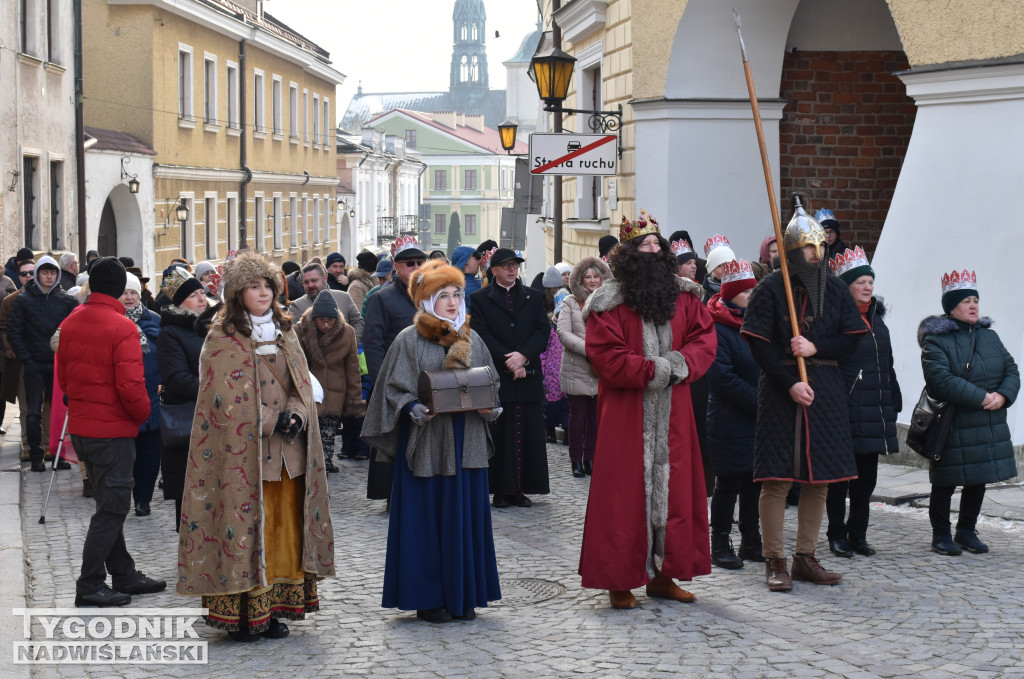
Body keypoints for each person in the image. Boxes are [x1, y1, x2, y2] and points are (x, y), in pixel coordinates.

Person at [177, 250, 334, 641]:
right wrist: (269, 420)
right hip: (242, 457)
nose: (263, 293)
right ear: (237, 293)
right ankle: (242, 613)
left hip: (288, 455)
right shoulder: (221, 338)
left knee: (283, 529)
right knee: (243, 530)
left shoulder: (285, 331)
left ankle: (274, 609)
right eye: (254, 286)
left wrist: (296, 413)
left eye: (268, 285)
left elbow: (303, 379)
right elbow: (222, 397)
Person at [579, 211, 717, 609]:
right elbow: (606, 354)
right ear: (629, 253)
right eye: (646, 245)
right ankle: (619, 579)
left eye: (659, 244)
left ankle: (665, 575)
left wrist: (676, 366)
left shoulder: (685, 296)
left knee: (676, 493)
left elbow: (703, 340)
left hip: (675, 412)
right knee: (622, 496)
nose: (655, 250)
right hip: (626, 412)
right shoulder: (608, 303)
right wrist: (655, 369)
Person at [362, 260, 502, 623]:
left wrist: (490, 409)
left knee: (465, 517)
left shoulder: (473, 338)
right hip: (426, 444)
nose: (454, 302)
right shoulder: (408, 340)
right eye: (444, 296)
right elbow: (392, 389)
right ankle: (428, 598)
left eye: (457, 294)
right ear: (426, 300)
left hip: (466, 441)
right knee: (426, 520)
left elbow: (491, 383)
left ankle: (465, 593)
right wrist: (411, 407)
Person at [740, 197, 866, 592]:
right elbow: (759, 346)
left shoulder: (837, 289)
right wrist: (789, 382)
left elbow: (851, 340)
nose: (816, 253)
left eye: (820, 247)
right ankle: (774, 560)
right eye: (809, 247)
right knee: (777, 480)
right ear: (793, 249)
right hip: (782, 389)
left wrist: (815, 348)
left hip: (825, 390)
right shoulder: (770, 289)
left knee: (820, 480)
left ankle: (805, 558)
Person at [57, 257, 164, 607]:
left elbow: (63, 380)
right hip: (113, 431)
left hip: (84, 428)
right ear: (121, 288)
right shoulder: (122, 326)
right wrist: (145, 415)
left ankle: (123, 573)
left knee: (109, 502)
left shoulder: (71, 322)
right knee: (114, 507)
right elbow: (132, 386)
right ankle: (89, 584)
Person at [919, 269, 1019, 556]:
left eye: (975, 299)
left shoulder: (990, 336)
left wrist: (1002, 396)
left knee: (978, 477)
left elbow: (1011, 369)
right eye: (966, 301)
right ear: (951, 307)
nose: (973, 305)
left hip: (987, 420)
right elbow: (940, 379)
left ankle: (966, 530)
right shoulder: (936, 340)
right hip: (953, 422)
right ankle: (941, 534)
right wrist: (982, 397)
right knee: (945, 481)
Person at [825, 247, 902, 558]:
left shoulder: (877, 320)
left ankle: (858, 533)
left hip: (875, 408)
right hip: (845, 408)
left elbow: (887, 361)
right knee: (841, 479)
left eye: (871, 281)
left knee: (866, 480)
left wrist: (893, 395)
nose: (868, 287)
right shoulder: (835, 320)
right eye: (861, 282)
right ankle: (836, 534)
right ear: (847, 286)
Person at [470, 248, 551, 508]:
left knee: (528, 432)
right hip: (497, 375)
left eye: (515, 264)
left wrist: (524, 356)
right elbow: (479, 332)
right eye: (505, 265)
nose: (511, 269)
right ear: (493, 270)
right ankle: (501, 491)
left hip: (527, 375)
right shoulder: (480, 298)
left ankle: (521, 489)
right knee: (500, 432)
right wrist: (509, 359)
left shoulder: (533, 296)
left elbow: (543, 329)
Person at [705, 259, 763, 569]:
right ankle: (720, 542)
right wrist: (759, 401)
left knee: (755, 481)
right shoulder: (718, 328)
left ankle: (751, 541)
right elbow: (722, 377)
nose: (752, 296)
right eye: (746, 292)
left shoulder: (755, 324)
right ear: (732, 295)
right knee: (728, 483)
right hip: (729, 418)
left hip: (756, 418)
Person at [363, 237, 425, 502]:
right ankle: (395, 495)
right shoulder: (382, 298)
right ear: (396, 267)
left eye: (421, 262)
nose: (416, 267)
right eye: (409, 263)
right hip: (395, 381)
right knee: (395, 441)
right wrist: (381, 383)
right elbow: (373, 343)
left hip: (428, 379)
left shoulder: (433, 293)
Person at [8, 255, 78, 471]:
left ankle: (59, 455)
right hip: (34, 364)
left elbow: (74, 332)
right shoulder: (23, 300)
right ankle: (37, 455)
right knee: (34, 412)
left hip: (59, 365)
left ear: (57, 274)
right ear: (37, 274)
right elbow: (15, 332)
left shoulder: (67, 301)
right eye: (45, 272)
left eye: (53, 272)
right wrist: (26, 358)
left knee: (60, 410)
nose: (49, 276)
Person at [156, 268, 211, 530]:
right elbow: (176, 378)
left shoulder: (213, 326)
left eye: (202, 292)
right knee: (189, 495)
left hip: (216, 418)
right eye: (193, 295)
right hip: (189, 419)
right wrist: (215, 391)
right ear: (179, 302)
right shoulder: (171, 332)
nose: (201, 299)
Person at [296, 290, 365, 473]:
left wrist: (354, 400)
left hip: (336, 390)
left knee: (330, 431)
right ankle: (312, 461)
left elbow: (353, 369)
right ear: (314, 319)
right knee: (311, 430)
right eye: (322, 320)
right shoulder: (300, 331)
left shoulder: (347, 333)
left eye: (330, 320)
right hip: (311, 390)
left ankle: (325, 460)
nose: (326, 324)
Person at [556, 256, 611, 478]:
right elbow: (564, 333)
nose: (592, 280)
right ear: (580, 279)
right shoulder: (570, 302)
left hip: (601, 370)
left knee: (596, 418)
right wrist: (589, 349)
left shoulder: (609, 301)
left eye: (596, 276)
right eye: (588, 277)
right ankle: (576, 460)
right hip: (577, 366)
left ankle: (591, 458)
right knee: (578, 417)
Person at [118, 272, 164, 517]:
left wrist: (164, 389)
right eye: (124, 292)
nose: (129, 297)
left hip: (152, 396)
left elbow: (165, 356)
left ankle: (143, 500)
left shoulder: (154, 320)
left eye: (133, 292)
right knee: (126, 456)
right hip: (124, 401)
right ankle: (124, 497)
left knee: (149, 455)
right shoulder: (113, 321)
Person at [288, 261, 364, 342]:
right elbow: (292, 335)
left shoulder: (344, 297)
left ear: (325, 278)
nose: (310, 285)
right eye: (306, 282)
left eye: (314, 280)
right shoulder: (297, 306)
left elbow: (358, 322)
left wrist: (351, 344)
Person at [540, 265, 569, 445]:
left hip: (567, 371)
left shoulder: (573, 328)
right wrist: (543, 370)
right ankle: (549, 429)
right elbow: (543, 351)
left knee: (568, 406)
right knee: (552, 406)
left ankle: (567, 432)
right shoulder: (550, 329)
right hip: (551, 373)